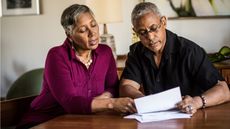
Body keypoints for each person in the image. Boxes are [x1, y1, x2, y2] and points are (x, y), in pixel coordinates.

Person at [17, 4, 135, 128]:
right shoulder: (56, 56)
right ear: (69, 35)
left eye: (93, 25)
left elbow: (113, 87)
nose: (92, 33)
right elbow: (70, 102)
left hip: (82, 121)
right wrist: (110, 103)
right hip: (44, 121)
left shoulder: (105, 52)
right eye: (83, 30)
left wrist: (103, 98)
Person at [119, 2, 230, 115]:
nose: (150, 37)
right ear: (135, 32)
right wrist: (145, 101)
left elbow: (224, 90)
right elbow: (126, 86)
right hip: (154, 119)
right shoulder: (136, 51)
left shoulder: (189, 51)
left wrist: (196, 102)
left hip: (192, 117)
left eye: (154, 28)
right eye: (142, 33)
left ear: (163, 22)